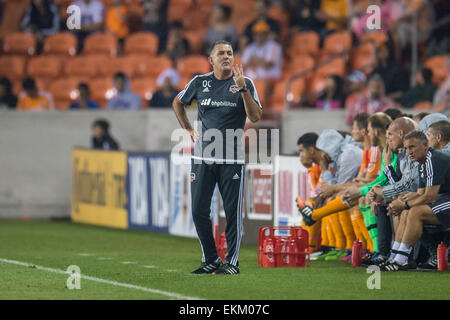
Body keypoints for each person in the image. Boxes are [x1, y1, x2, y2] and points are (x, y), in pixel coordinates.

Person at [172, 40, 262, 275]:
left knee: (232, 214)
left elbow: (255, 116)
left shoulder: (246, 83)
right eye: (221, 53)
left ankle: (232, 263)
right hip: (202, 158)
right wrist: (188, 129)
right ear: (211, 60)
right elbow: (178, 102)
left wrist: (242, 89)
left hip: (232, 160)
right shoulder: (200, 82)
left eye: (230, 53)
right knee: (198, 210)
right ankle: (211, 259)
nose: (226, 57)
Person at [380, 130, 450, 271]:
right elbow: (420, 194)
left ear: (425, 145)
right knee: (406, 212)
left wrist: (404, 204)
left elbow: (430, 197)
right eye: (406, 148)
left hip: (445, 198)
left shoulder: (432, 159)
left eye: (412, 147)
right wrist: (399, 202)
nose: (408, 152)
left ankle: (401, 261)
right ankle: (395, 257)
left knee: (415, 212)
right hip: (444, 199)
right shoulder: (423, 162)